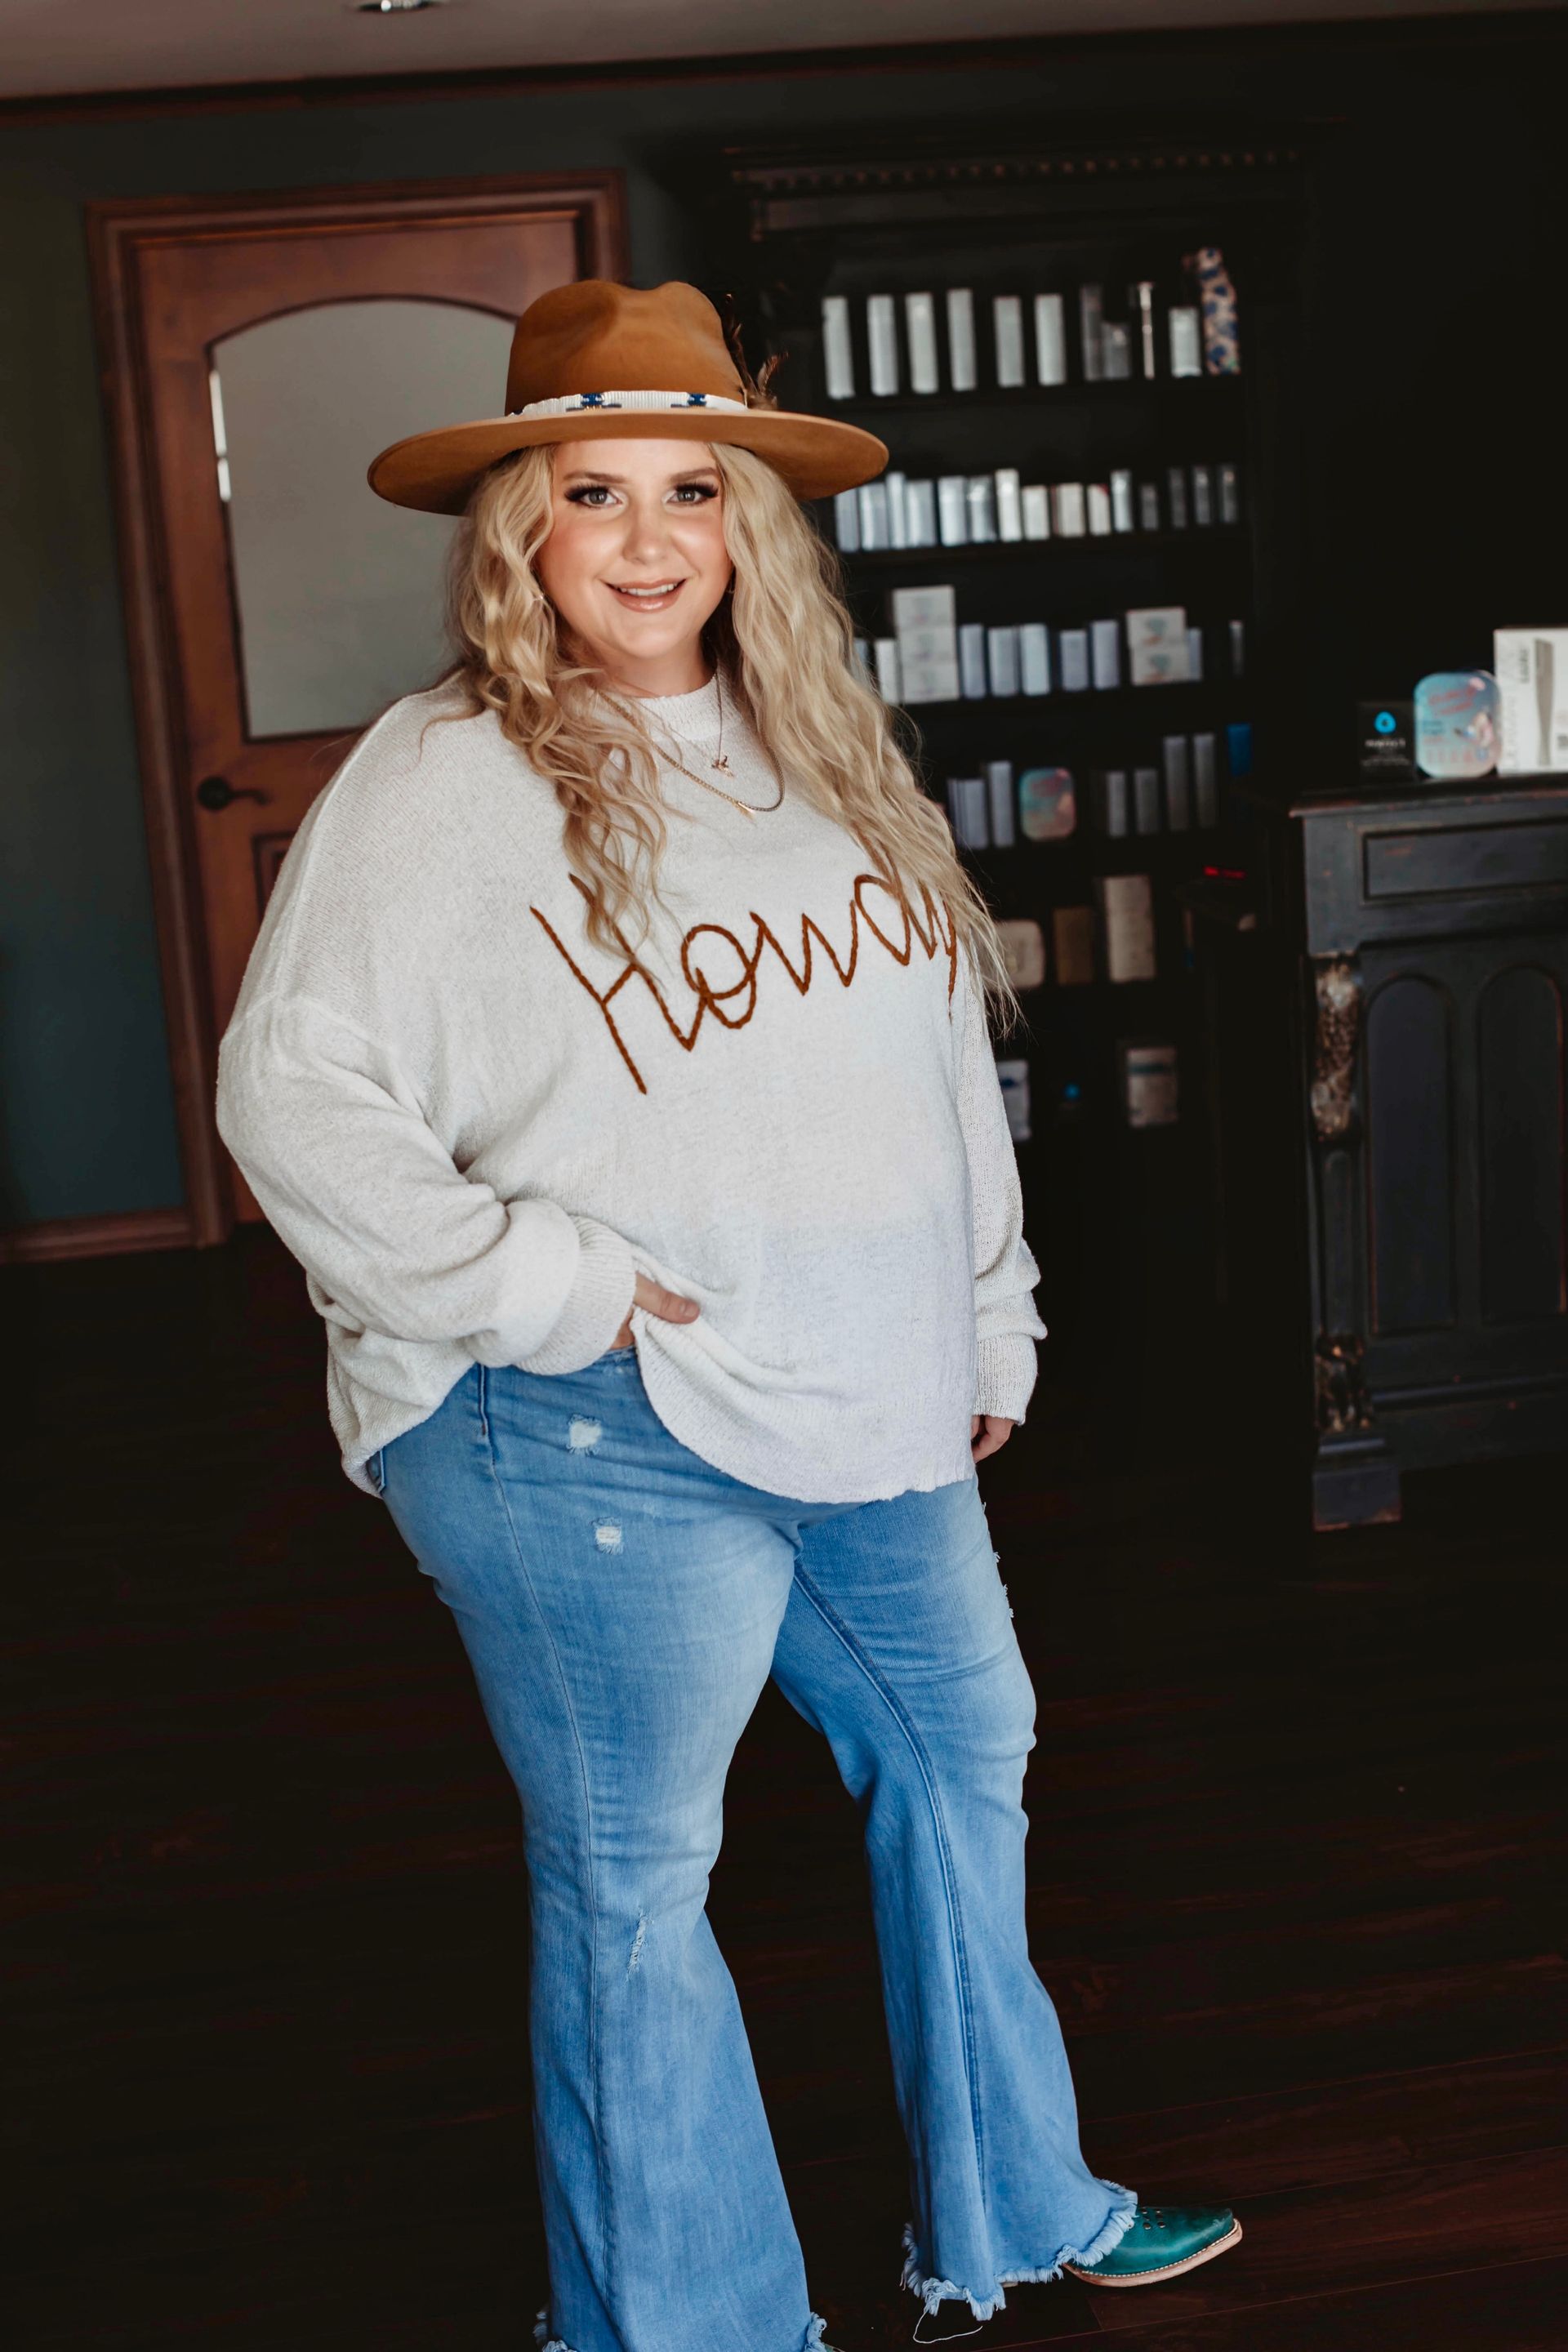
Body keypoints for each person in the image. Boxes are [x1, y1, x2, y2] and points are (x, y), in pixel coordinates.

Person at [214, 278, 1239, 2352]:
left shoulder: (824, 746)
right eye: (592, 493)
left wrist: (988, 1318)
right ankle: (686, 2330)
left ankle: (1018, 2202)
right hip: (575, 1414)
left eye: (692, 489)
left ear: (749, 520)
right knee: (636, 1878)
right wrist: (549, 1287)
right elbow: (286, 1095)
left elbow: (935, 1069)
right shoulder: (442, 777)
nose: (649, 537)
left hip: (859, 1385)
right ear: (521, 528)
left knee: (963, 1749)